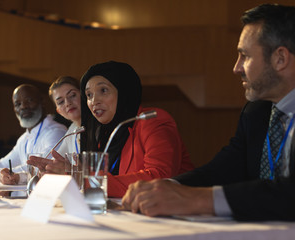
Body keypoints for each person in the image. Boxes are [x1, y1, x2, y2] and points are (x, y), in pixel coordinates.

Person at [122, 4, 295, 221]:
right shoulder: (257, 111)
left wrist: (197, 200)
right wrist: (166, 186)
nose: (236, 68)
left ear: (280, 59)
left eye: (245, 56)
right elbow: (225, 168)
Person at [79, 60, 194, 197]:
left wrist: (83, 180)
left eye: (103, 90)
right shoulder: (104, 136)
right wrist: (72, 172)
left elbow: (159, 178)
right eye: (89, 95)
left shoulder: (152, 121)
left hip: (174, 211)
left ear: (124, 92)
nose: (94, 101)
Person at [27, 76, 82, 174]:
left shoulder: (98, 126)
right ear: (58, 111)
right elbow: (55, 162)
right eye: (61, 102)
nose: (68, 103)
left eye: (72, 95)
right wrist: (48, 168)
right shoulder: (72, 130)